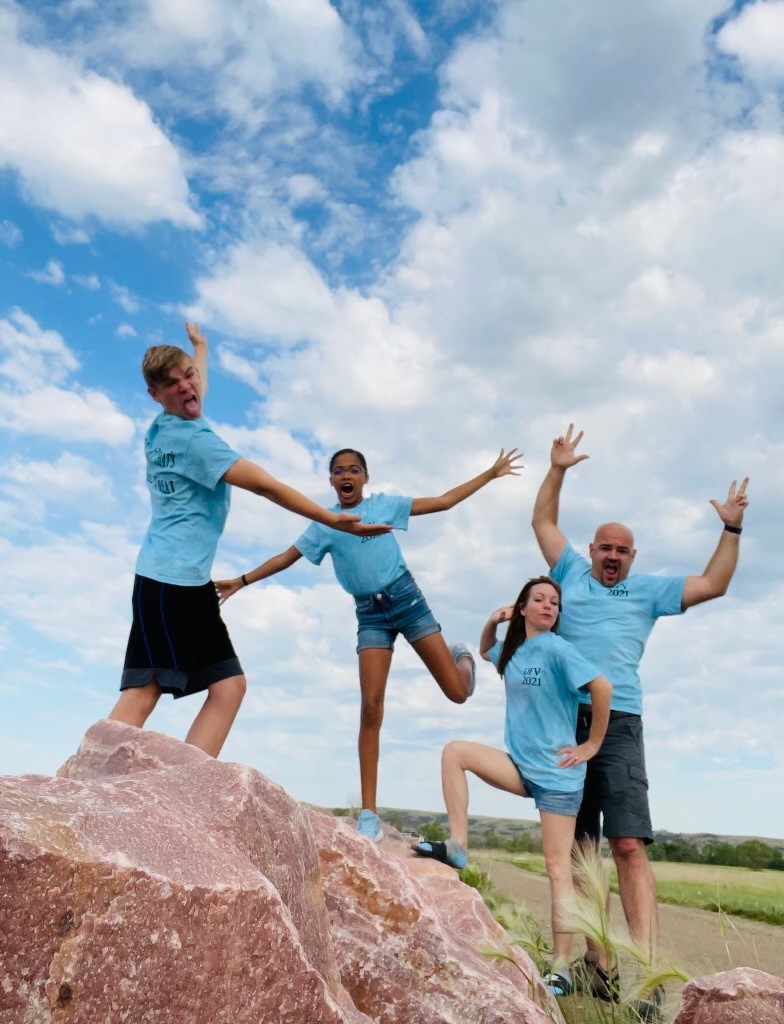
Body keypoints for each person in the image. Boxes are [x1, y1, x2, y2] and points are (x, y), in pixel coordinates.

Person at [531, 423, 749, 1018]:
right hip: (563, 722)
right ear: (593, 550)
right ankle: (599, 972)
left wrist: (730, 527)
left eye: (622, 550)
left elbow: (716, 582)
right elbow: (544, 524)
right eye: (605, 547)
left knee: (626, 842)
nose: (611, 556)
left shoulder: (650, 591)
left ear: (632, 558)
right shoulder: (570, 572)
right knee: (581, 851)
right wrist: (558, 470)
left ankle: (650, 980)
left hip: (620, 722)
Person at [108, 324, 390, 758]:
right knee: (153, 690)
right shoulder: (195, 442)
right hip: (175, 583)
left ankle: (168, 787)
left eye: (189, 375)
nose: (188, 385)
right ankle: (89, 787)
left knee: (224, 684)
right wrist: (332, 519)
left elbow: (192, 381)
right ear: (154, 394)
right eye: (172, 383)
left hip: (165, 578)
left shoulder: (160, 428)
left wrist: (200, 348)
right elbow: (265, 486)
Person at [216, 445, 524, 838]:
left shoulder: (384, 506)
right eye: (339, 471)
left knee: (457, 694)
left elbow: (444, 502)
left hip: (407, 601)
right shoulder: (325, 522)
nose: (346, 476)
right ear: (331, 480)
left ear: (365, 477)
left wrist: (490, 473)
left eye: (354, 469)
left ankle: (461, 658)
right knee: (370, 706)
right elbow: (286, 557)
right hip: (370, 616)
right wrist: (242, 581)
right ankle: (369, 813)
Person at [414, 577, 612, 998]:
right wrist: (491, 620)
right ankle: (459, 846)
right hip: (521, 765)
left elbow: (602, 687)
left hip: (558, 773)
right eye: (539, 599)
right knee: (455, 752)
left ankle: (561, 967)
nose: (548, 606)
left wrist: (591, 745)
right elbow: (486, 650)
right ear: (522, 607)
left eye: (554, 602)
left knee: (557, 868)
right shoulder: (515, 650)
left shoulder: (559, 649)